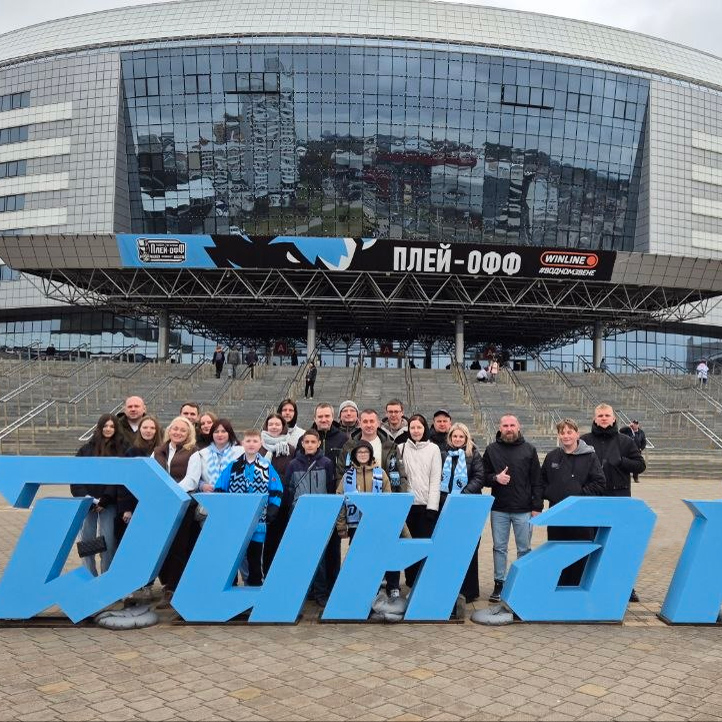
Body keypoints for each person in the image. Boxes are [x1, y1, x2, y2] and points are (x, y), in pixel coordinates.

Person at [581, 403, 646, 602]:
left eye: (607, 415)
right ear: (594, 418)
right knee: (592, 542)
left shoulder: (625, 441)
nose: (603, 418)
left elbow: (641, 465)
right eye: (600, 415)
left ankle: (625, 586)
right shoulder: (584, 440)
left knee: (619, 544)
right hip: (592, 499)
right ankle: (590, 583)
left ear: (614, 418)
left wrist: (622, 461)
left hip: (618, 498)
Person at [481, 414, 542, 603]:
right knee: (499, 548)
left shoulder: (529, 449)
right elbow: (483, 476)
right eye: (505, 425)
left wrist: (537, 506)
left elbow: (537, 481)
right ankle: (499, 583)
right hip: (499, 508)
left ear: (518, 426)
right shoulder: (491, 450)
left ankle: (522, 582)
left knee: (524, 548)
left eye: (512, 425)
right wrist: (495, 478)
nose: (509, 429)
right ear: (500, 428)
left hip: (524, 509)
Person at [541, 419, 607, 585]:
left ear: (577, 434)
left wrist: (578, 496)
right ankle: (558, 588)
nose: (566, 436)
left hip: (581, 517)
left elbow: (600, 483)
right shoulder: (552, 456)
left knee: (580, 555)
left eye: (569, 432)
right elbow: (542, 482)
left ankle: (577, 589)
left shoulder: (590, 456)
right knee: (557, 554)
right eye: (562, 432)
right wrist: (552, 494)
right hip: (557, 516)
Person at [214, 429, 283, 586]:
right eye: (248, 441)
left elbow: (277, 489)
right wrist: (223, 511)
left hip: (258, 523)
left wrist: (273, 509)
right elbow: (220, 488)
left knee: (255, 558)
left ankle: (254, 588)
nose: (251, 444)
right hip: (235, 522)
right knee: (232, 558)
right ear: (242, 443)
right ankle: (229, 588)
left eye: (255, 441)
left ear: (260, 444)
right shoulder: (232, 466)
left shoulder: (266, 466)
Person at [335, 440, 402, 600]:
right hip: (356, 524)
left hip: (377, 524)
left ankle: (393, 586)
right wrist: (341, 525)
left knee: (385, 553)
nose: (363, 454)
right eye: (360, 452)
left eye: (366, 451)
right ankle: (365, 587)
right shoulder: (347, 476)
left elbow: (388, 498)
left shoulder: (381, 473)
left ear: (371, 454)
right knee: (360, 557)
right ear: (354, 455)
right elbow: (340, 500)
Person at [71, 414, 127, 576]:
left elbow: (120, 478)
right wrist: (86, 497)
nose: (108, 429)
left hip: (109, 503)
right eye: (105, 426)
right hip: (88, 503)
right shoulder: (86, 449)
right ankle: (90, 575)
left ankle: (106, 576)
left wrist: (105, 499)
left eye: (112, 426)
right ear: (99, 428)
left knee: (108, 541)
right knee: (87, 542)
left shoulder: (122, 449)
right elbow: (76, 475)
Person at [286, 429, 337, 605]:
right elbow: (289, 489)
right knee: (301, 554)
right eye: (306, 442)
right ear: (302, 443)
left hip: (320, 514)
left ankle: (320, 592)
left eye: (313, 442)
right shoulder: (293, 464)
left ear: (318, 443)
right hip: (299, 514)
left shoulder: (326, 463)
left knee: (319, 557)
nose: (309, 445)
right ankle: (304, 591)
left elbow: (330, 487)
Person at [153, 416, 198, 609]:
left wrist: (172, 493)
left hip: (183, 505)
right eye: (175, 429)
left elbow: (192, 480)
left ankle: (173, 588)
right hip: (162, 506)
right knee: (162, 546)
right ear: (169, 430)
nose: (178, 432)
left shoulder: (193, 452)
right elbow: (152, 476)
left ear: (188, 434)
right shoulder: (158, 451)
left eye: (183, 430)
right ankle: (166, 584)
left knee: (179, 547)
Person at [397, 414, 442, 589]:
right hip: (407, 506)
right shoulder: (401, 448)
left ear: (425, 429)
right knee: (408, 547)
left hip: (425, 507)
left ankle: (423, 584)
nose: (416, 431)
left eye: (419, 427)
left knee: (423, 546)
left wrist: (432, 507)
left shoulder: (433, 449)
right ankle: (410, 583)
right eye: (412, 427)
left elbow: (435, 480)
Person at [441, 422, 484, 602]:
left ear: (466, 438)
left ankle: (470, 590)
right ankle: (451, 587)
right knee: (450, 547)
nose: (458, 439)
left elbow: (479, 477)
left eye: (461, 436)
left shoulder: (473, 454)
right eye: (455, 436)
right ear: (450, 437)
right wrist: (447, 498)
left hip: (468, 506)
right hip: (447, 506)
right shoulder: (443, 454)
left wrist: (462, 494)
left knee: (469, 546)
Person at [311, 403, 349, 592]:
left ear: (333, 417)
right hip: (313, 500)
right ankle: (315, 587)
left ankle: (333, 586)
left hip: (334, 499)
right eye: (320, 416)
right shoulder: (308, 437)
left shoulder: (343, 438)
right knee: (314, 546)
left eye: (327, 416)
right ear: (315, 418)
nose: (324, 419)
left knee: (333, 546)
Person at [336, 409, 407, 491]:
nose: (369, 425)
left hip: (384, 495)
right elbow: (340, 474)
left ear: (378, 423)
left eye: (372, 421)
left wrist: (400, 496)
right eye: (365, 421)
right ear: (360, 423)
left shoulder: (390, 446)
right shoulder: (349, 446)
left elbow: (401, 475)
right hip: (354, 496)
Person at [260, 413, 296, 570]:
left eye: (277, 424)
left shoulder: (290, 449)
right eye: (271, 424)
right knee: (267, 540)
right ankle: (266, 572)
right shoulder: (260, 448)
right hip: (264, 500)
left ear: (283, 427)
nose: (274, 427)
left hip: (284, 500)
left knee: (282, 538)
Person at [180, 418, 242, 495]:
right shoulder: (200, 455)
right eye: (216, 432)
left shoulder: (241, 452)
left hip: (235, 497)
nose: (220, 435)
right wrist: (202, 485)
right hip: (209, 498)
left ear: (229, 433)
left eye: (223, 431)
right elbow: (192, 479)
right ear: (212, 434)